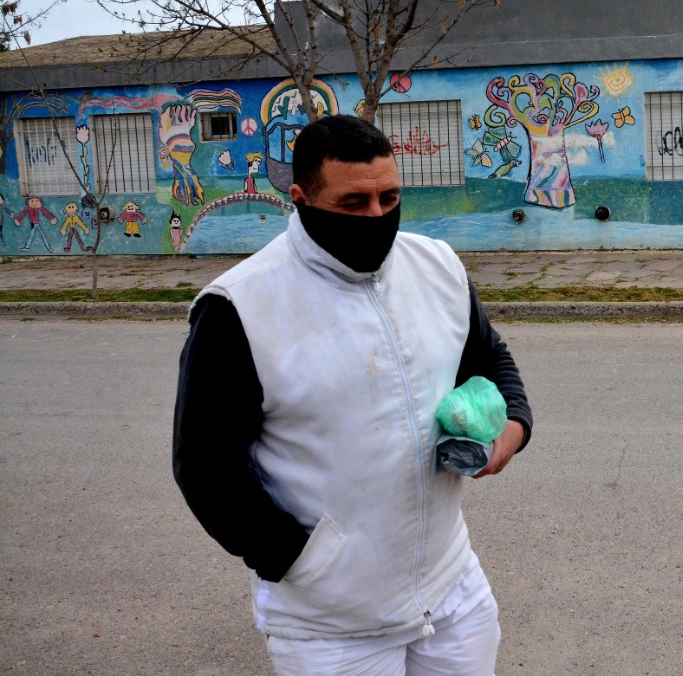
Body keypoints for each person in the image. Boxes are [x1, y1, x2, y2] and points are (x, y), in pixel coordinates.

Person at [173, 114, 531, 676]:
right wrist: (305, 563)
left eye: (390, 198)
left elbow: (489, 358)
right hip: (329, 627)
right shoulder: (239, 309)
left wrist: (514, 429)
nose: (377, 217)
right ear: (300, 197)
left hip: (451, 589)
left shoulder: (436, 266)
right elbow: (205, 466)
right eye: (353, 203)